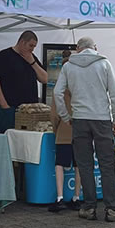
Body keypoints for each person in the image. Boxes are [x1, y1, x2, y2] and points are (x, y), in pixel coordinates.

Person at [53, 37, 115, 222]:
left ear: (78, 48)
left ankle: (88, 207)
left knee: (84, 164)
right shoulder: (104, 63)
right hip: (101, 119)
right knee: (107, 164)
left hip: (79, 119)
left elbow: (57, 92)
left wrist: (65, 116)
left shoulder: (69, 66)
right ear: (95, 47)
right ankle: (112, 209)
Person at [0, 31, 48, 133]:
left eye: (34, 46)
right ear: (22, 42)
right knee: (9, 139)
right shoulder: (4, 56)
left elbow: (44, 79)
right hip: (10, 108)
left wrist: (32, 62)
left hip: (29, 111)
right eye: (31, 45)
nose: (32, 49)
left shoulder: (32, 58)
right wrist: (4, 105)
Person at [48, 50, 82, 213]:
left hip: (64, 130)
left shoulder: (59, 87)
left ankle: (60, 197)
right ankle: (76, 197)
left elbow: (54, 114)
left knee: (59, 164)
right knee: (79, 165)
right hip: (81, 130)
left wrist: (56, 128)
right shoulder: (82, 85)